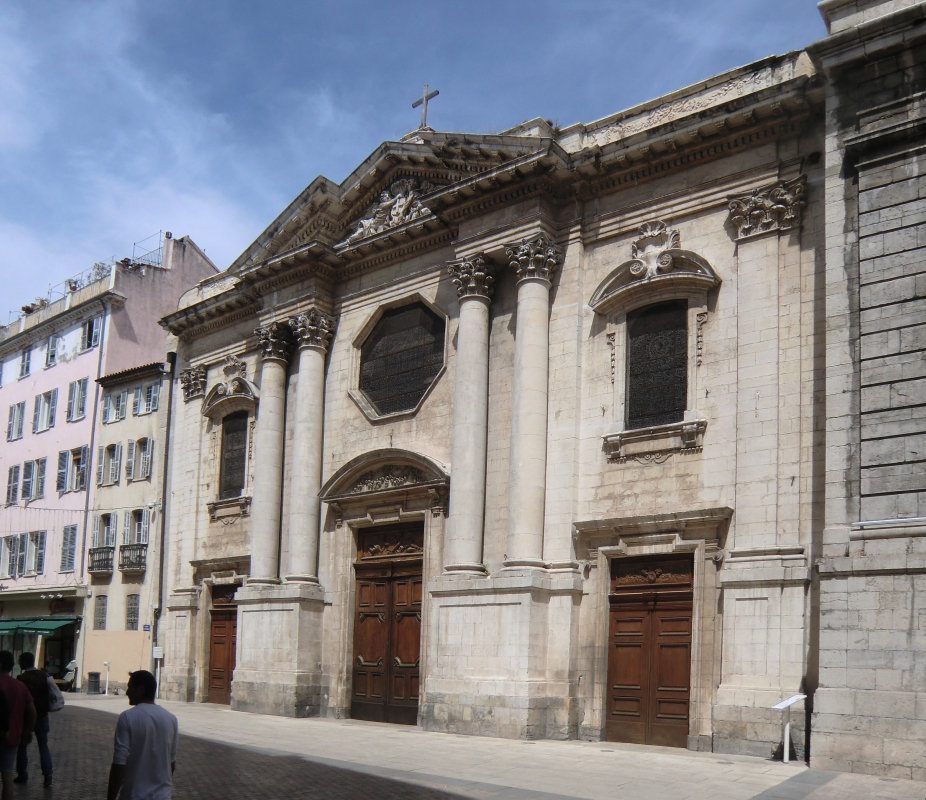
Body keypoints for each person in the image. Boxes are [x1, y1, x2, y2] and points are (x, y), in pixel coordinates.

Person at [107, 670, 178, 800]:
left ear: (140, 689)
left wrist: (110, 797)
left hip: (134, 795)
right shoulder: (171, 719)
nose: (127, 692)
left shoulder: (127, 717)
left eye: (129, 688)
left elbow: (119, 763)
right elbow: (171, 763)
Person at [15, 652, 59, 786]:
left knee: (22, 747)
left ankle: (22, 775)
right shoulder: (43, 675)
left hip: (26, 717)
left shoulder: (21, 678)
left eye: (20, 661)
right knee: (43, 745)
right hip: (42, 716)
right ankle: (48, 774)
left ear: (24, 663)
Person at [0, 651, 35, 800]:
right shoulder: (20, 686)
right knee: (7, 774)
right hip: (14, 736)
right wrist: (28, 731)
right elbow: (32, 711)